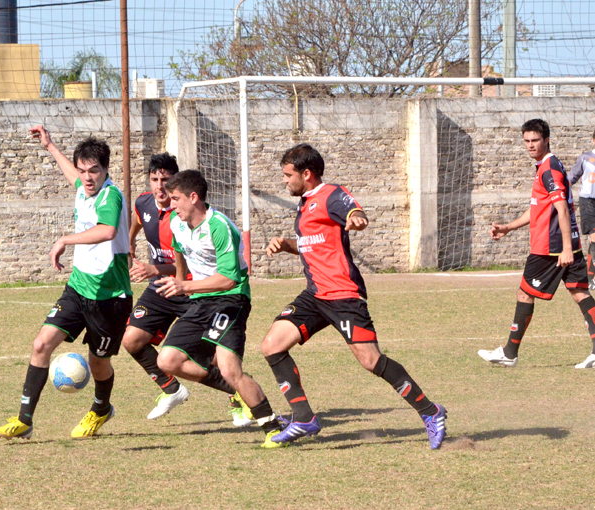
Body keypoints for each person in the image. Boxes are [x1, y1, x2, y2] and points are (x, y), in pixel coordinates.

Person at [262, 143, 447, 449]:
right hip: (316, 294)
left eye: (287, 175)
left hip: (343, 294)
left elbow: (354, 210)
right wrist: (287, 245)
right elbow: (314, 243)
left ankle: (431, 411)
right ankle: (303, 417)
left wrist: (357, 217)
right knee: (271, 345)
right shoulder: (306, 203)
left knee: (371, 360)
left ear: (306, 174)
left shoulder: (331, 194)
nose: (285, 181)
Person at [0, 125, 132, 439]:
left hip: (110, 297)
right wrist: (49, 145)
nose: (86, 177)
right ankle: (24, 421)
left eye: (94, 171)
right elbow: (71, 173)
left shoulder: (110, 197)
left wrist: (64, 240)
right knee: (41, 344)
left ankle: (101, 409)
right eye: (83, 170)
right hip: (78, 289)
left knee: (98, 364)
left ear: (106, 170)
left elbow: (107, 231)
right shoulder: (83, 186)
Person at [154, 170, 285, 447]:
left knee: (230, 368)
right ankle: (235, 390)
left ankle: (273, 427)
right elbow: (179, 250)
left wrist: (184, 287)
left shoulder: (220, 227)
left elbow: (228, 279)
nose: (171, 203)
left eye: (175, 198)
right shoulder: (177, 224)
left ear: (193, 197)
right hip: (200, 300)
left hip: (231, 300)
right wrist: (179, 279)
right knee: (167, 361)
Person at [122, 154, 253, 425]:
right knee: (131, 340)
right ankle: (171, 388)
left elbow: (185, 255)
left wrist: (158, 271)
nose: (160, 187)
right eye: (154, 180)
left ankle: (238, 400)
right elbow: (135, 223)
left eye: (166, 181)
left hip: (196, 286)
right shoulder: (143, 203)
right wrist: (130, 243)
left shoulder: (185, 216)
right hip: (167, 286)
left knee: (217, 354)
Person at [479, 119, 595, 369]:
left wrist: (564, 248)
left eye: (535, 140)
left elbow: (562, 209)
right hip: (565, 245)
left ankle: (509, 353)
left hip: (551, 249)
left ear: (547, 140)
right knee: (579, 293)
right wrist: (509, 227)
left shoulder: (549, 169)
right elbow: (539, 209)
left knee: (524, 293)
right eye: (527, 141)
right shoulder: (546, 166)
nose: (530, 145)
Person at [567, 129, 595, 289]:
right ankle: (590, 279)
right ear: (593, 140)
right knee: (594, 237)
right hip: (588, 202)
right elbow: (571, 179)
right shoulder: (585, 158)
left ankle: (591, 277)